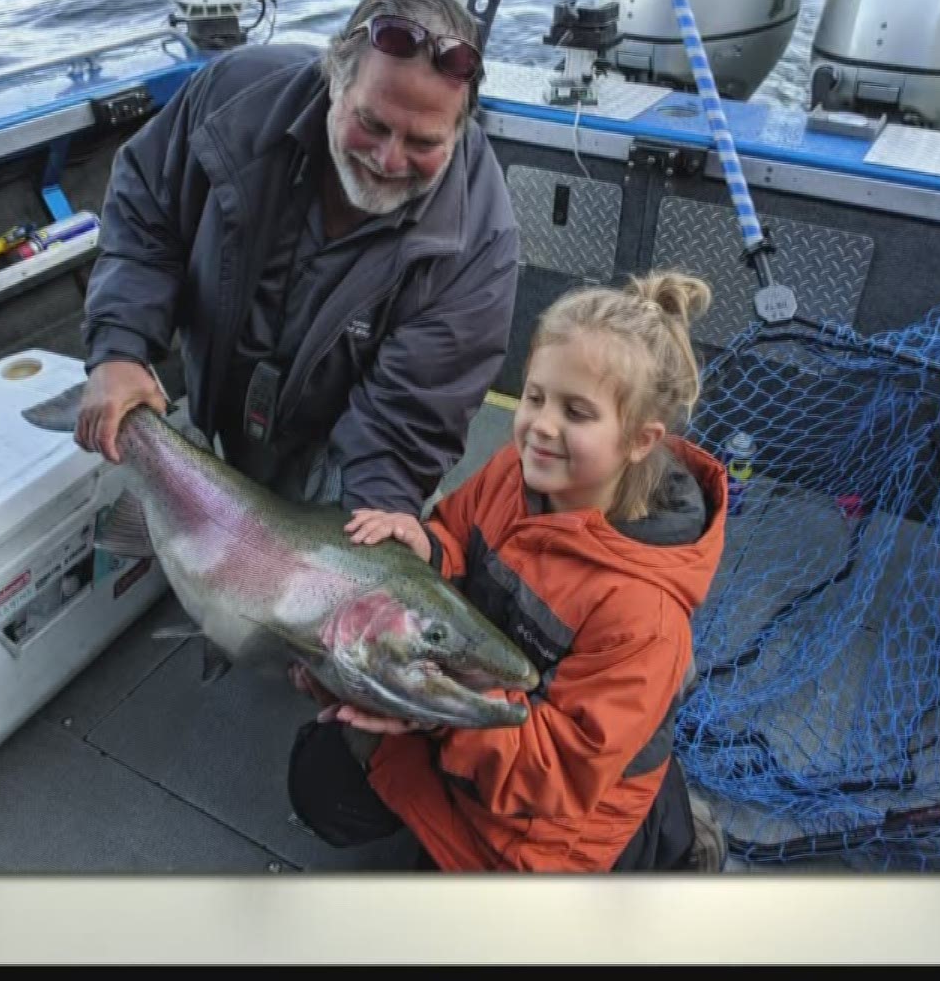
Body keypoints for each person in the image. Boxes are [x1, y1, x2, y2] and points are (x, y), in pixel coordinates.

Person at [286, 270, 730, 871]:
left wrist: (423, 707)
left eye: (577, 411)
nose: (542, 426)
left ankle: (667, 838)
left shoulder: (645, 616)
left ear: (639, 440)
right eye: (534, 396)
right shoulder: (514, 472)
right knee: (317, 782)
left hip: (542, 826)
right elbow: (455, 534)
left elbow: (557, 771)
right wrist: (427, 548)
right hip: (466, 720)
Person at [74, 0, 520, 520]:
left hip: (340, 458)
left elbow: (408, 420)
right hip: (213, 395)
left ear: (460, 129)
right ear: (334, 78)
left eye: (424, 143)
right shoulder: (232, 98)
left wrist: (368, 533)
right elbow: (148, 211)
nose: (388, 157)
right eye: (371, 124)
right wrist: (119, 348)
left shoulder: (480, 243)